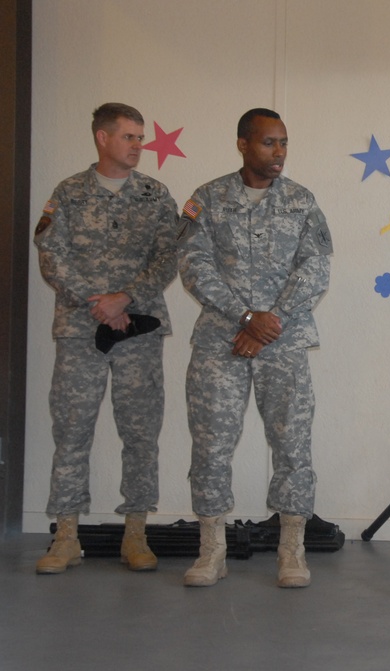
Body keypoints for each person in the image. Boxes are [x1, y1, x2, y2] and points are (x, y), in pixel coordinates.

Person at [177, 108, 332, 588]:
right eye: (268, 142)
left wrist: (269, 323)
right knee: (210, 445)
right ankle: (212, 551)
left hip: (283, 343)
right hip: (220, 342)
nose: (279, 152)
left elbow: (316, 268)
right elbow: (193, 264)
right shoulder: (208, 199)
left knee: (291, 444)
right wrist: (246, 318)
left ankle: (291, 551)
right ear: (243, 143)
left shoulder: (301, 202)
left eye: (284, 142)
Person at [33, 102, 179, 574]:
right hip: (81, 330)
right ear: (102, 138)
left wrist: (125, 299)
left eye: (141, 137)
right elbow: (51, 255)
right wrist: (98, 302)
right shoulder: (69, 194)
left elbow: (168, 259)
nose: (139, 145)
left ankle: (135, 533)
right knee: (72, 431)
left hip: (139, 331)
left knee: (141, 433)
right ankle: (67, 535)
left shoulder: (156, 196)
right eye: (130, 137)